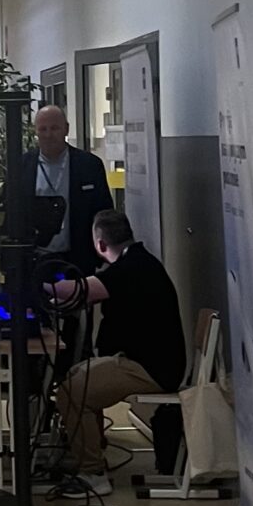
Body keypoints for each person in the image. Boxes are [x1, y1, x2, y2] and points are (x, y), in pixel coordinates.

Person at [49, 208, 186, 466]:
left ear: (100, 244)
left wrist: (38, 286)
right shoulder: (138, 261)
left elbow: (81, 290)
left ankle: (90, 469)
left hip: (150, 369)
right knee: (76, 374)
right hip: (149, 362)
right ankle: (92, 445)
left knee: (71, 393)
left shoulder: (131, 268)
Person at [19, 103, 106, 278]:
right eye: (43, 129)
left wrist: (100, 255)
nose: (48, 135)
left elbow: (103, 211)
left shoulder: (89, 165)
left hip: (78, 260)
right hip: (34, 261)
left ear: (66, 129)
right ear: (35, 131)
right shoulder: (22, 166)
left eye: (54, 128)